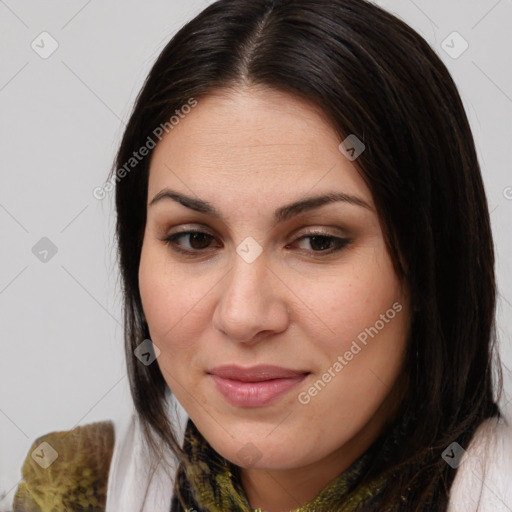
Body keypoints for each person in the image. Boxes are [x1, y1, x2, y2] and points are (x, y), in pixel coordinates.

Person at [13, 0, 512, 511]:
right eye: (194, 239)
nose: (242, 315)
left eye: (319, 241)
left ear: (434, 265)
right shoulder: (73, 493)